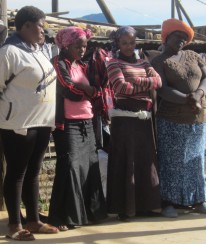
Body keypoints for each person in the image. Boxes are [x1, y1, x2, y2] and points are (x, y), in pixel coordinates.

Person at [0, 6, 58, 240]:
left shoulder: (39, 51)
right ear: (25, 26)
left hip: (43, 121)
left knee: (33, 172)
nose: (43, 29)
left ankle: (33, 220)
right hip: (18, 122)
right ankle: (15, 225)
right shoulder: (9, 52)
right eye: (40, 25)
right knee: (16, 172)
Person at [151, 18, 206, 218]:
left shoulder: (193, 55)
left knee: (195, 161)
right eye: (177, 36)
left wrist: (199, 95)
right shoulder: (158, 61)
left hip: (198, 119)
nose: (181, 40)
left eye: (184, 37)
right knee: (172, 161)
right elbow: (162, 89)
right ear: (166, 36)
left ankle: (198, 200)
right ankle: (169, 202)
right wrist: (187, 99)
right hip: (171, 119)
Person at [47, 26, 107, 231]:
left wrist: (87, 89)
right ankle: (60, 216)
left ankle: (88, 213)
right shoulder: (58, 63)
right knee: (70, 166)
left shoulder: (81, 65)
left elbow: (97, 91)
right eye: (78, 46)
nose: (82, 50)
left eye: (85, 46)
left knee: (89, 166)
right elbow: (69, 89)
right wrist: (87, 89)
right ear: (66, 45)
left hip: (87, 121)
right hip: (68, 124)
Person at [106, 26, 162, 221]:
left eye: (132, 42)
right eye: (124, 43)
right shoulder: (113, 63)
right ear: (118, 44)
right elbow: (121, 87)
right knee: (126, 161)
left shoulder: (143, 62)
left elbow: (159, 82)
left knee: (144, 161)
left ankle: (145, 206)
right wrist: (146, 81)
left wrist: (137, 81)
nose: (129, 46)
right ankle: (126, 208)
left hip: (143, 120)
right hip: (125, 121)